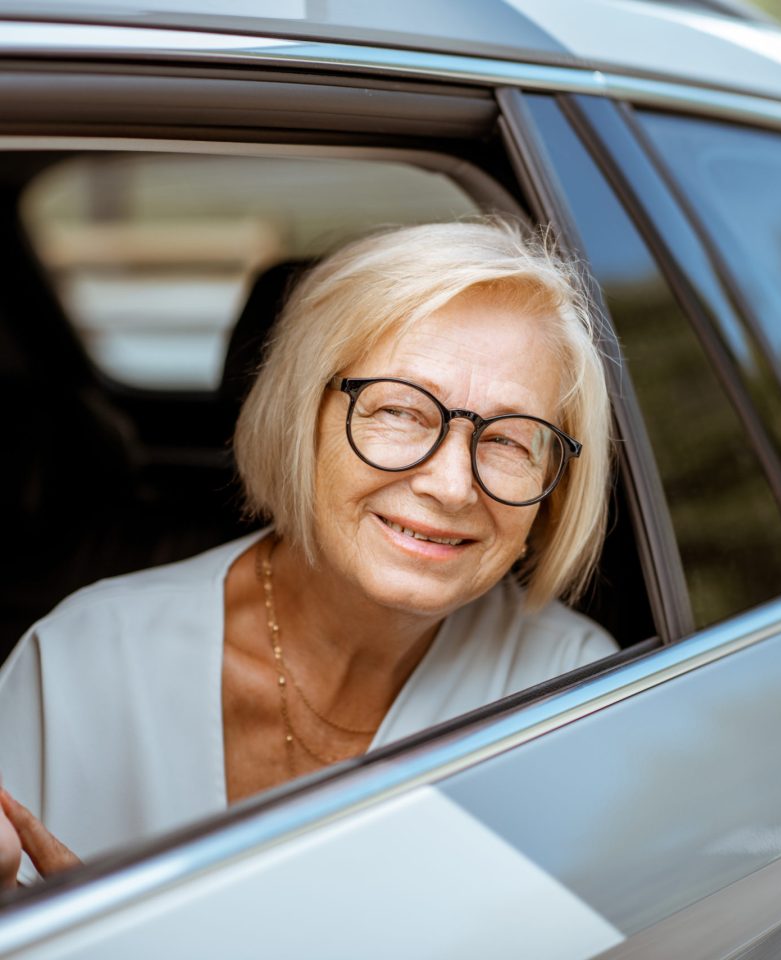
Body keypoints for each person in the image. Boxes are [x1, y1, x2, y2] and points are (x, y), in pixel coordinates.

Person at [0, 218, 617, 889]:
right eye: (399, 411)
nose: (450, 485)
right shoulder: (83, 661)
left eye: (509, 439)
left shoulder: (576, 696)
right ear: (300, 417)